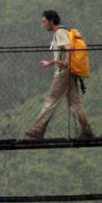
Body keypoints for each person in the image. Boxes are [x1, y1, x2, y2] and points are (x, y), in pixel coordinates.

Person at [24, 9, 95, 140]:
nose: (43, 25)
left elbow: (68, 48)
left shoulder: (60, 32)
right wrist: (50, 63)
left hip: (63, 73)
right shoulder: (64, 31)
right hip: (69, 72)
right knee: (75, 103)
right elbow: (61, 54)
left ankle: (38, 129)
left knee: (51, 100)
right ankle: (87, 131)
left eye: (45, 22)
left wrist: (66, 63)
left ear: (51, 21)